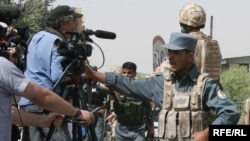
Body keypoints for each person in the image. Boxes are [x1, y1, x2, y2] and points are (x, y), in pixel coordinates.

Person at [82, 32, 240, 141]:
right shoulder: (160, 83)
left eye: (176, 52)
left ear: (190, 55)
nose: (169, 56)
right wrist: (93, 75)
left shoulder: (205, 85)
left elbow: (231, 113)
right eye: (169, 51)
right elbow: (125, 83)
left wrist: (207, 134)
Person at [18, 5, 84, 141]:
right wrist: (76, 74)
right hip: (46, 103)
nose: (76, 24)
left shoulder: (34, 37)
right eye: (73, 21)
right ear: (64, 24)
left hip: (27, 100)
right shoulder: (58, 42)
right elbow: (57, 76)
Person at [0, 56, 94, 141]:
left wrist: (42, 121)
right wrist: (77, 113)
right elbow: (43, 96)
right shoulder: (2, 66)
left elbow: (7, 113)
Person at [104, 62, 154, 141]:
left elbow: (148, 109)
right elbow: (100, 85)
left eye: (129, 73)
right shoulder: (117, 87)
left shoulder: (141, 89)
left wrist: (151, 126)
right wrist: (114, 90)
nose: (126, 75)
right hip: (122, 129)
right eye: (124, 72)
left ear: (135, 74)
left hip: (138, 129)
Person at [179, 3, 222, 82]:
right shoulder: (214, 44)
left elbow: (166, 70)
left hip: (190, 91)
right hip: (212, 91)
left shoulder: (185, 43)